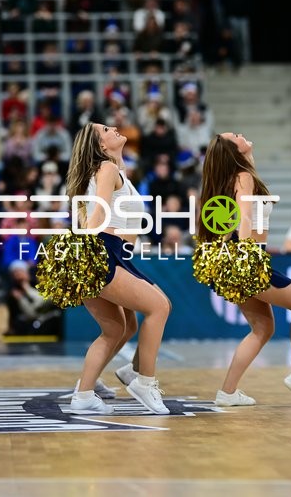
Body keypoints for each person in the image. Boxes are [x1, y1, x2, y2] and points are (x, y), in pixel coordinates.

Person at [199, 133, 291, 406]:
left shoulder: (234, 176)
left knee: (263, 327)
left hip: (233, 258)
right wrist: (244, 253)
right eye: (236, 137)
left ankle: (227, 392)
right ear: (232, 152)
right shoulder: (243, 177)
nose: (242, 135)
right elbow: (243, 216)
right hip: (247, 257)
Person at [65, 123, 171, 415]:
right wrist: (85, 248)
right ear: (101, 146)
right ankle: (143, 381)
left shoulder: (113, 170)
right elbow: (98, 212)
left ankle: (85, 393)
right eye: (106, 129)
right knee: (158, 307)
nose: (114, 128)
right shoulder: (107, 169)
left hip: (111, 253)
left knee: (117, 328)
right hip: (104, 251)